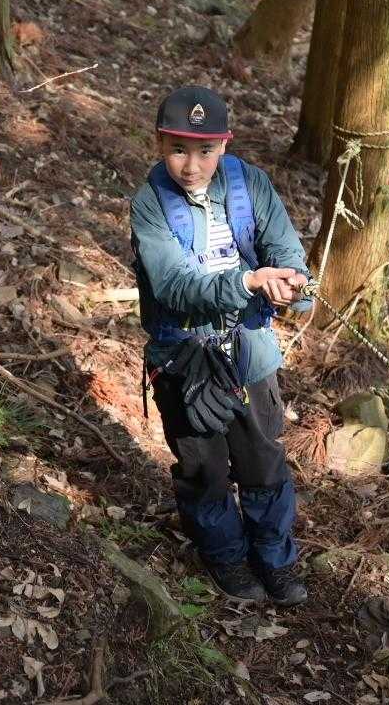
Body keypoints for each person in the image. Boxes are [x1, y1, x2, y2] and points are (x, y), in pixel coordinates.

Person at [130, 86, 312, 605]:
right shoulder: (150, 205)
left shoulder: (250, 183)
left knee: (263, 461)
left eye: (205, 150)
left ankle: (275, 558)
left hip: (249, 351)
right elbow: (174, 286)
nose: (191, 165)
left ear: (225, 145)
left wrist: (293, 281)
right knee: (203, 469)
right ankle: (226, 556)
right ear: (159, 143)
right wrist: (250, 282)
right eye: (178, 149)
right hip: (185, 359)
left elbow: (285, 248)